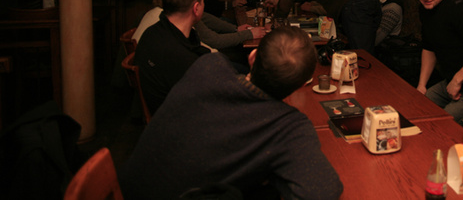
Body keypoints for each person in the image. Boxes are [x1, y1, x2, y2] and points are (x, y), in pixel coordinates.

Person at [119, 26, 343, 200]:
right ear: (301, 85)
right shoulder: (290, 127)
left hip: (128, 190)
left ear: (252, 57)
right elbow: (324, 191)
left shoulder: (208, 66)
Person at [133, 0, 267, 67]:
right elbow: (210, 47)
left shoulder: (158, 29)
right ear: (196, 8)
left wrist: (235, 30)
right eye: (203, 0)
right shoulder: (179, 52)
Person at [134, 0, 211, 115]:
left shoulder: (153, 32)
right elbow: (206, 106)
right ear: (196, 8)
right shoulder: (181, 58)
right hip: (179, 123)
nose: (204, 4)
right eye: (203, 1)